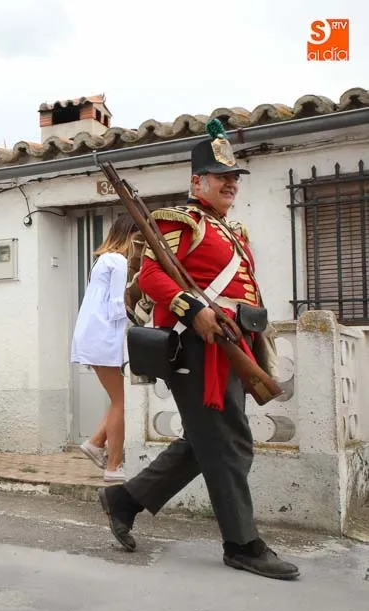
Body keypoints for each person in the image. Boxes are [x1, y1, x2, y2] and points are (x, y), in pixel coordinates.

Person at [98, 119, 300, 580]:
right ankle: (242, 544)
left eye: (233, 177)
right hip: (197, 348)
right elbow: (152, 276)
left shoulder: (231, 231)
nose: (230, 183)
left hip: (231, 344)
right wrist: (193, 310)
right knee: (229, 442)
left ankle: (123, 500)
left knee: (205, 441)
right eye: (220, 176)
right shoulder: (179, 221)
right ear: (197, 182)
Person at [72, 214, 138, 482]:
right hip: (104, 336)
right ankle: (113, 466)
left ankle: (96, 443)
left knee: (117, 399)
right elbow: (116, 305)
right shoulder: (119, 261)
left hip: (92, 334)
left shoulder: (102, 260)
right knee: (122, 402)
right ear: (130, 236)